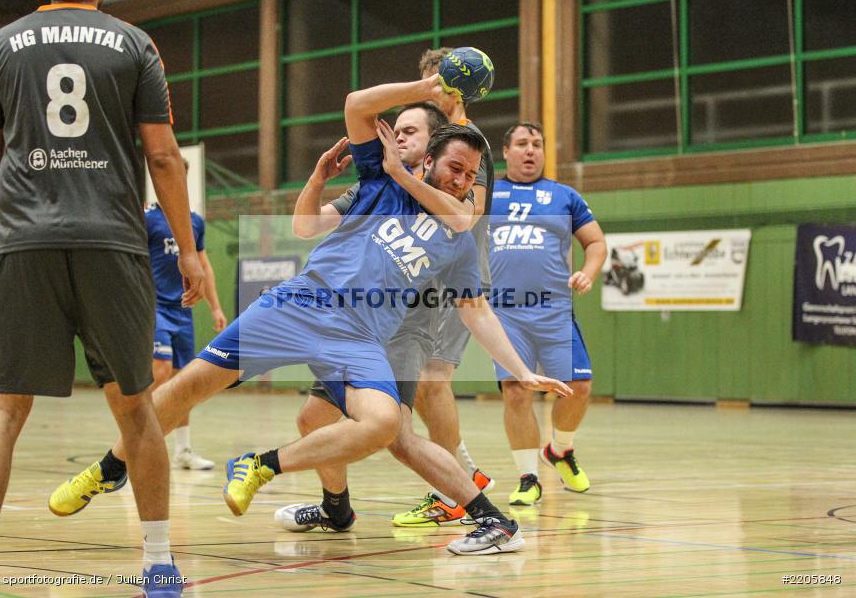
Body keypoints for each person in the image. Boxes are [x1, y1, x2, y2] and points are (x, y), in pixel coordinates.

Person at [48, 74, 572, 556]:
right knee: (188, 388)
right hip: (298, 305)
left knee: (387, 423)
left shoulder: (457, 234)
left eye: (471, 175)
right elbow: (355, 106)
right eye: (454, 168)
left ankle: (261, 465)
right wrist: (426, 86)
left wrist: (521, 369)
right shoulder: (381, 183)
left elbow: (476, 309)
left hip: (361, 333)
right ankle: (108, 468)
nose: (462, 181)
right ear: (428, 160)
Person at [0, 0, 204, 597]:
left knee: (2, 410)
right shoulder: (132, 43)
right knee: (137, 409)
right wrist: (189, 248)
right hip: (111, 243)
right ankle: (159, 565)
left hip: (23, 243)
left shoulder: (0, 45)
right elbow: (164, 155)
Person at [281, 101, 494, 533]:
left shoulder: (452, 195)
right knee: (311, 420)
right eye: (395, 129)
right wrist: (317, 180)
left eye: (410, 131)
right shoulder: (375, 187)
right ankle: (335, 508)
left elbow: (464, 218)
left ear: (432, 148)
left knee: (398, 435)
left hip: (405, 328)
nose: (398, 136)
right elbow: (306, 226)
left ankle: (488, 515)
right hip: (356, 328)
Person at [392, 47, 498, 524]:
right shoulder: (431, 142)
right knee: (424, 387)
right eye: (431, 81)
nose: (435, 90)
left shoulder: (469, 141)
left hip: (459, 279)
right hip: (428, 277)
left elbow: (467, 215)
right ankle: (467, 478)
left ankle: (459, 493)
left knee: (433, 383)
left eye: (443, 80)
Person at [488, 122, 606, 505]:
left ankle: (560, 449)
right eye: (522, 144)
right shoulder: (486, 194)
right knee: (517, 393)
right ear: (505, 151)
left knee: (580, 387)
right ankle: (527, 478)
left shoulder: (563, 196)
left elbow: (596, 242)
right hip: (505, 312)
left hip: (553, 308)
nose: (530, 151)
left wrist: (587, 273)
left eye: (537, 144)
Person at [147, 160, 228, 471]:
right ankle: (138, 444)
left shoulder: (193, 222)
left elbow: (204, 267)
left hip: (183, 310)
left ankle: (183, 450)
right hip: (155, 307)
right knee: (161, 370)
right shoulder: (148, 219)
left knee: (183, 380)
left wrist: (216, 307)